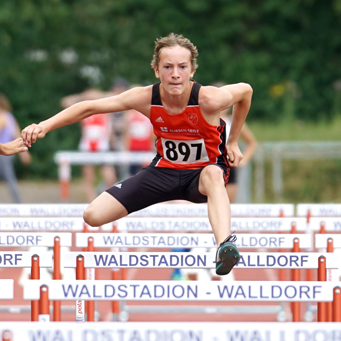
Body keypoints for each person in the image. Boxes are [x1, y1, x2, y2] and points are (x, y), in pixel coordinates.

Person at [22, 33, 253, 276]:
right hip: (163, 171)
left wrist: (234, 140)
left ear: (192, 70)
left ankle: (224, 245)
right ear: (156, 70)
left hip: (202, 176)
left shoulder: (209, 98)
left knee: (213, 175)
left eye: (182, 67)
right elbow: (89, 107)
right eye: (168, 67)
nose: (175, 74)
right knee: (92, 215)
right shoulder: (144, 98)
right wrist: (44, 126)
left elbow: (245, 92)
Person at [61, 89, 118, 202]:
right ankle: (91, 204)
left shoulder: (106, 108)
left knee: (110, 178)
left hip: (103, 148)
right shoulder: (85, 110)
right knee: (89, 179)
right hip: (87, 148)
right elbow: (65, 102)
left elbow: (118, 95)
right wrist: (82, 96)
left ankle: (105, 202)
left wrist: (100, 94)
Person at [0, 94, 31, 202]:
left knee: (10, 179)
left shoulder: (2, 117)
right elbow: (17, 135)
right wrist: (24, 152)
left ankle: (18, 203)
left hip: (3, 153)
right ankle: (18, 203)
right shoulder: (10, 117)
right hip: (9, 153)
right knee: (10, 179)